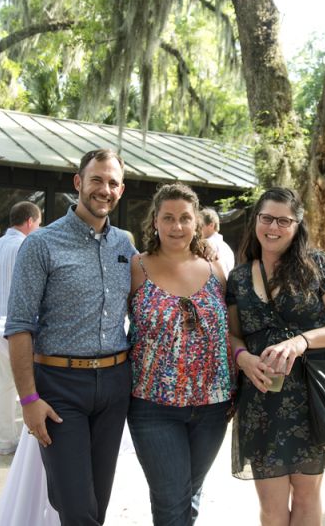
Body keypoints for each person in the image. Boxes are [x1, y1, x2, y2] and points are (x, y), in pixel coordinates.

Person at [5, 148, 136, 526]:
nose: (104, 189)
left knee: (98, 502)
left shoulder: (125, 245)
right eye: (96, 180)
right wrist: (29, 399)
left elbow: (159, 278)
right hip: (60, 387)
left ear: (121, 190)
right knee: (76, 507)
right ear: (79, 183)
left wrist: (201, 249)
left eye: (113, 183)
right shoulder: (41, 244)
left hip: (114, 385)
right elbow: (19, 326)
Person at [226, 187, 325, 525]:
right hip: (261, 400)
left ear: (297, 225)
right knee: (271, 508)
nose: (273, 227)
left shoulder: (321, 266)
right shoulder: (239, 277)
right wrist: (243, 357)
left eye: (283, 221)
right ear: (256, 220)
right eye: (267, 218)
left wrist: (302, 341)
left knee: (306, 497)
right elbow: (232, 334)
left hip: (311, 399)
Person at [127, 184, 233, 525]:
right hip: (153, 407)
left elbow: (231, 331)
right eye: (168, 218)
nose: (177, 227)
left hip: (213, 407)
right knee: (172, 502)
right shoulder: (136, 267)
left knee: (189, 495)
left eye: (185, 218)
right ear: (154, 222)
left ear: (198, 222)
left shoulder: (216, 270)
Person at [0, 201, 42, 455]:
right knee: (33, 384)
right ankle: (31, 443)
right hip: (22, 322)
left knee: (6, 384)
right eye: (38, 224)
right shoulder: (27, 245)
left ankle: (6, 440)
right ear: (30, 221)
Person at [200, 207, 235, 275]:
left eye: (200, 225)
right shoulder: (226, 247)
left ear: (211, 225)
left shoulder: (207, 245)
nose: (197, 228)